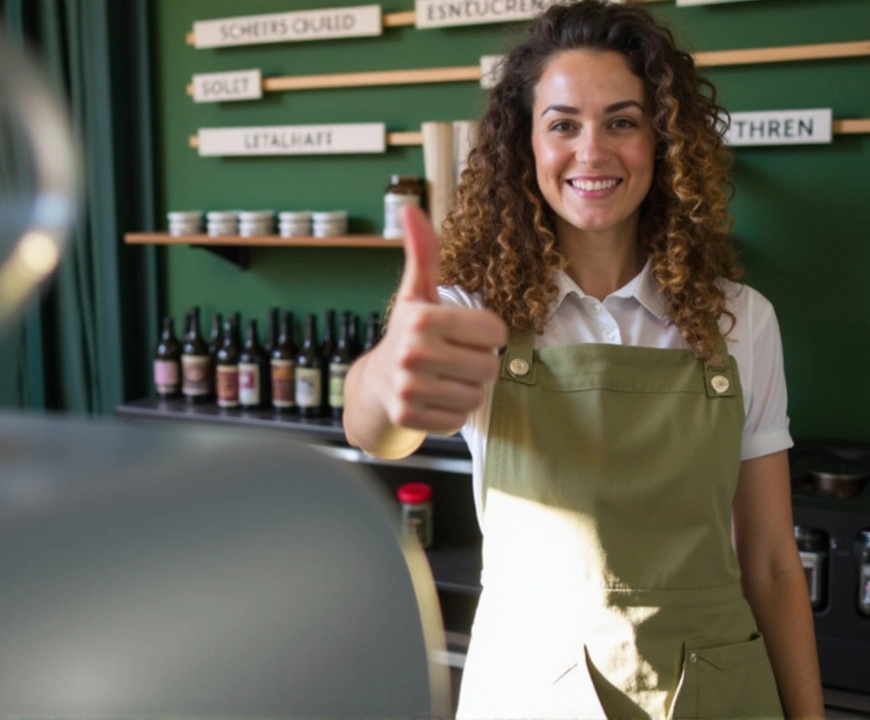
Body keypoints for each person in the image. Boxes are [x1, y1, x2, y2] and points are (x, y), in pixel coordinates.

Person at [343, 1, 824, 718]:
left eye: (622, 122)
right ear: (525, 147)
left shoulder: (742, 319)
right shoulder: (471, 312)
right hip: (534, 689)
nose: (591, 151)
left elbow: (772, 564)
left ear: (663, 142)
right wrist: (385, 381)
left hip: (720, 689)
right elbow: (375, 429)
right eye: (563, 124)